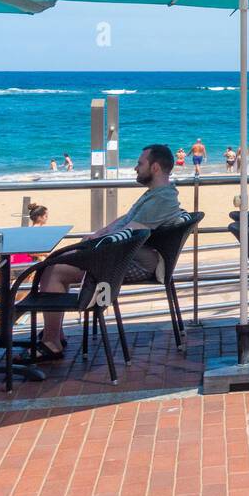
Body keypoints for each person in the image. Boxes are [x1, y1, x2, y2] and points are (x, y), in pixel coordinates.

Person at [34, 144, 181, 360]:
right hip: (127, 256)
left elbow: (132, 233)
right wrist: (99, 233)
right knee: (56, 263)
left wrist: (94, 245)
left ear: (155, 167)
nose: (135, 168)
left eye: (140, 164)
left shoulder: (161, 199)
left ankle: (52, 341)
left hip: (129, 262)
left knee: (54, 270)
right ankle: (54, 335)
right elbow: (127, 220)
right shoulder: (158, 194)